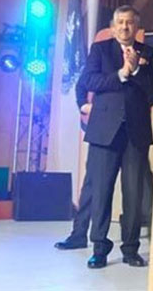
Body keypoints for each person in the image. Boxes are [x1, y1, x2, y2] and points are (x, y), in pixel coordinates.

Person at [80, 5, 153, 269]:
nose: (125, 27)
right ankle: (99, 247)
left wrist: (137, 71)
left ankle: (131, 248)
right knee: (101, 191)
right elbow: (90, 81)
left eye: (129, 22)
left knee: (133, 194)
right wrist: (121, 74)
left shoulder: (150, 54)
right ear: (113, 27)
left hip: (136, 133)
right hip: (104, 131)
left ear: (137, 27)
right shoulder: (100, 50)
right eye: (120, 22)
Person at [54, 74, 93, 250]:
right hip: (102, 129)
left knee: (136, 185)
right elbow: (82, 84)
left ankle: (132, 243)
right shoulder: (101, 58)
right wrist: (84, 106)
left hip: (131, 128)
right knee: (91, 184)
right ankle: (79, 234)